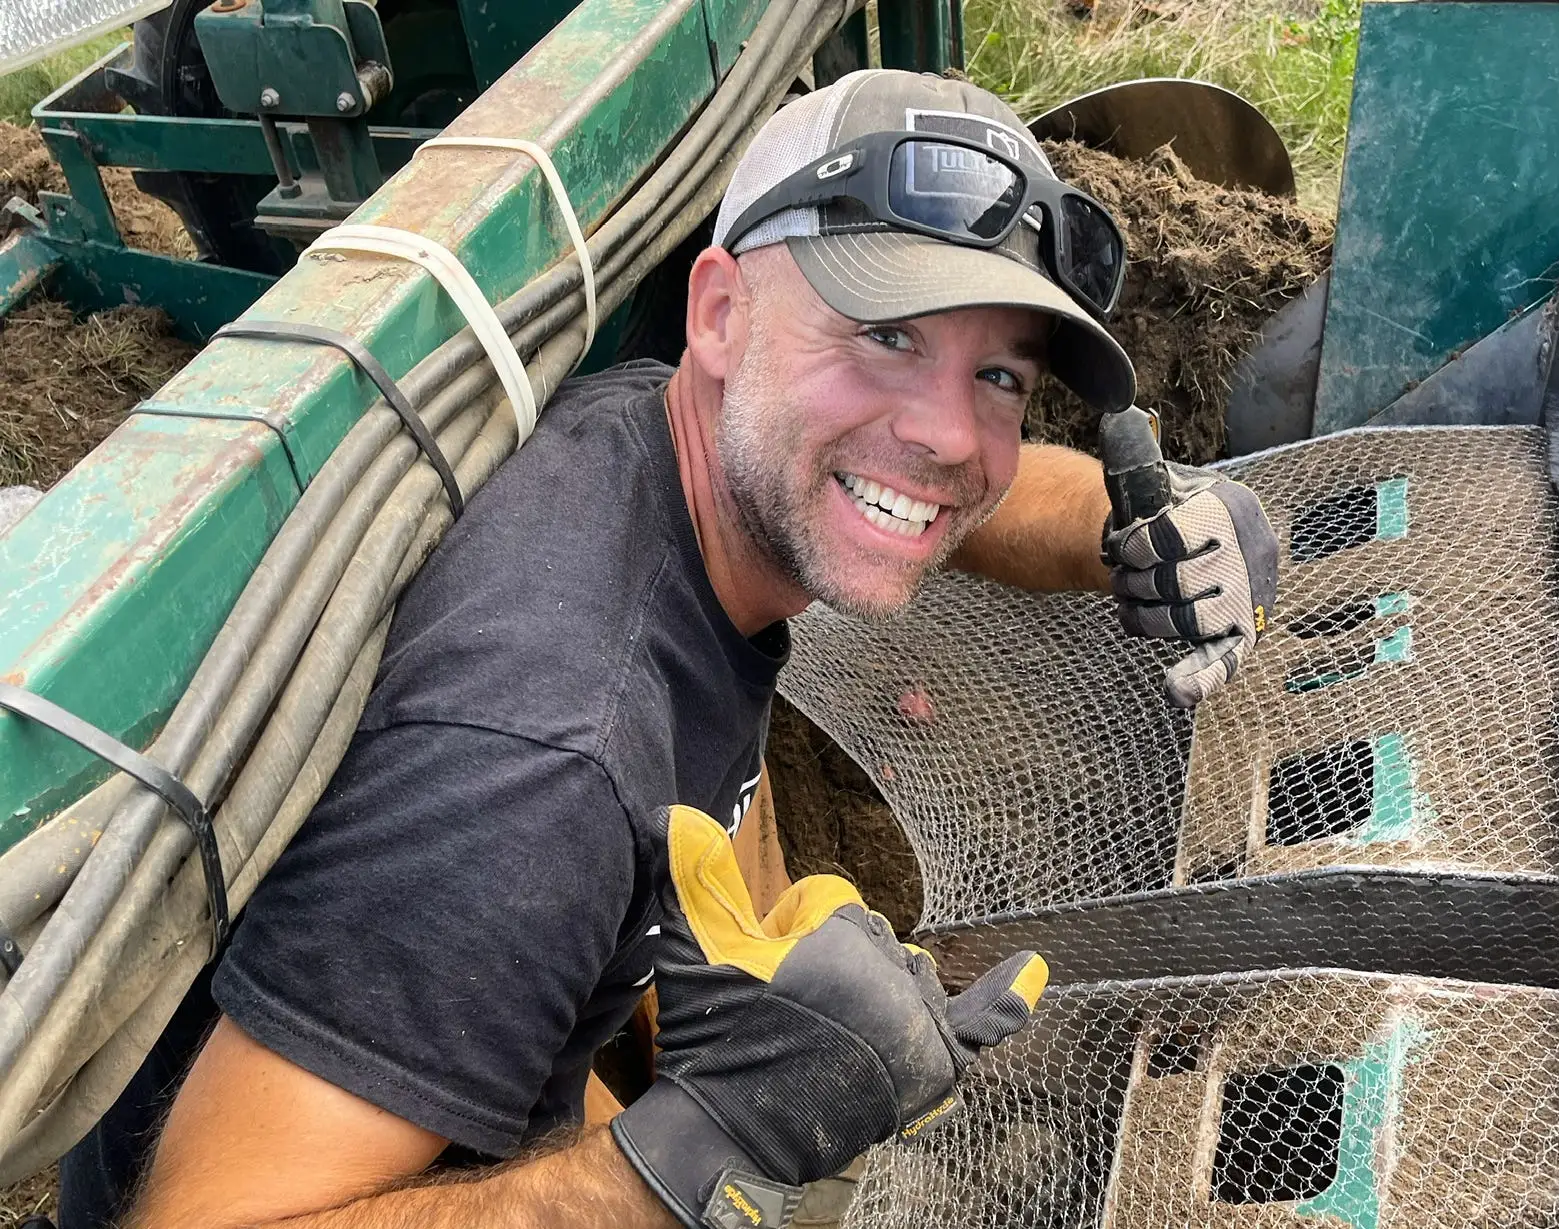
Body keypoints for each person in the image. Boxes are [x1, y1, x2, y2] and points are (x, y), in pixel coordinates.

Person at [67, 68, 1277, 1229]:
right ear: (719, 312)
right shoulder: (543, 762)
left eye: (999, 372)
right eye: (888, 336)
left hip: (499, 1082)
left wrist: (1135, 527)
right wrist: (697, 1153)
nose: (949, 430)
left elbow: (930, 478)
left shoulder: (676, 440)